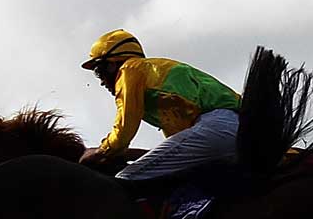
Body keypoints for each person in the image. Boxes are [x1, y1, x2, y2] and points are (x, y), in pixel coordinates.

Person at [76, 30, 241, 185]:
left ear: (111, 65)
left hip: (217, 128)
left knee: (125, 179)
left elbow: (124, 130)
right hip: (234, 131)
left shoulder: (129, 70)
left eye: (98, 72)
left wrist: (101, 151)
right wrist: (124, 153)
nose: (101, 81)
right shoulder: (154, 76)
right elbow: (175, 147)